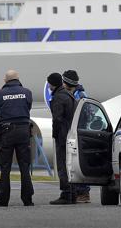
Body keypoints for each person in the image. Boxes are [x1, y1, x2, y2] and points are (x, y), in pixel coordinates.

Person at [0, 70, 34, 207]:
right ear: (18, 79)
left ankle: (3, 200)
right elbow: (28, 107)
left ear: (5, 80)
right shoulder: (27, 92)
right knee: (24, 166)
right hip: (23, 131)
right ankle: (28, 199)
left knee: (5, 167)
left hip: (6, 131)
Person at [47, 72, 76, 205]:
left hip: (63, 136)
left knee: (62, 164)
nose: (48, 85)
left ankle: (66, 194)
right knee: (70, 164)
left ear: (53, 84)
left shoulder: (58, 97)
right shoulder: (68, 95)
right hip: (71, 134)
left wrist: (55, 135)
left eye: (49, 83)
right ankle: (73, 193)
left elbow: (57, 119)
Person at [62, 69, 91, 203]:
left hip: (78, 133)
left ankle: (83, 193)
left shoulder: (79, 96)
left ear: (66, 82)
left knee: (77, 163)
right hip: (77, 132)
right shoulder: (78, 93)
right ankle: (77, 192)